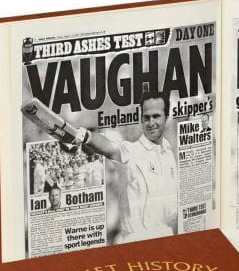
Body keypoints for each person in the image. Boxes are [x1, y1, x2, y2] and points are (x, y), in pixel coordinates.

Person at [63, 91, 178, 242]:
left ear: (166, 117)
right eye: (146, 117)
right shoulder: (132, 150)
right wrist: (86, 136)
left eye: (156, 116)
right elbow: (109, 147)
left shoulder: (168, 153)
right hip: (137, 241)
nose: (151, 123)